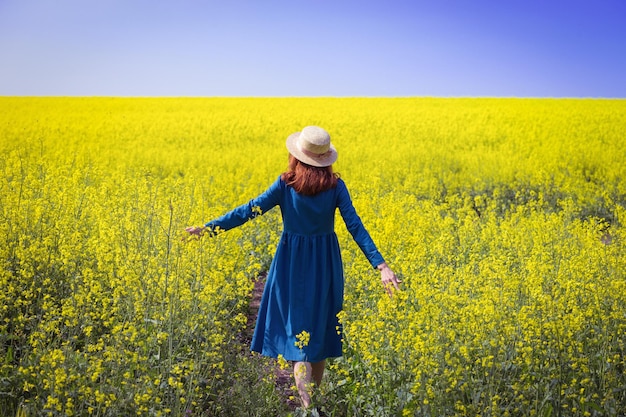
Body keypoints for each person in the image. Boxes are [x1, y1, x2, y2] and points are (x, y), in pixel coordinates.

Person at [185, 126, 400, 409]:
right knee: (319, 334)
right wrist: (381, 265)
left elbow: (248, 210)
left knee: (301, 344)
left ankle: (308, 408)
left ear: (297, 156)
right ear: (326, 159)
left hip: (291, 265)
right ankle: (313, 407)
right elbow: (355, 227)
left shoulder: (285, 184)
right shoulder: (336, 186)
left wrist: (209, 229)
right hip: (325, 265)